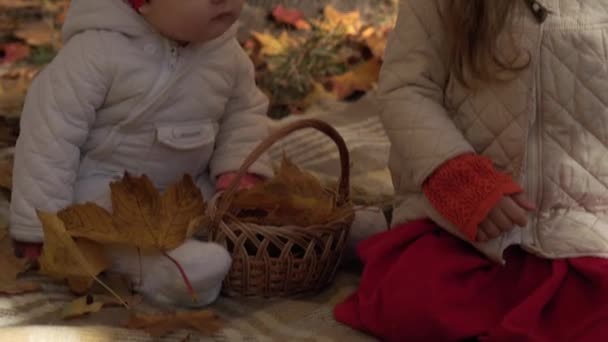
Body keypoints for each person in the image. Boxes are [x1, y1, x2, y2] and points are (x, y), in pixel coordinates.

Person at [334, 0, 608, 340]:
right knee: (412, 301)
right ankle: (381, 230)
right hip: (464, 231)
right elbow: (407, 89)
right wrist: (457, 176)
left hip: (580, 232)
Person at [9, 0, 271, 307]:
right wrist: (39, 225)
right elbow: (50, 131)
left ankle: (296, 248)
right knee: (101, 225)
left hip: (188, 186)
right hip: (107, 182)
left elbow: (244, 112)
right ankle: (162, 273)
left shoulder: (228, 55)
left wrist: (239, 169)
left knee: (235, 210)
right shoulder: (97, 51)